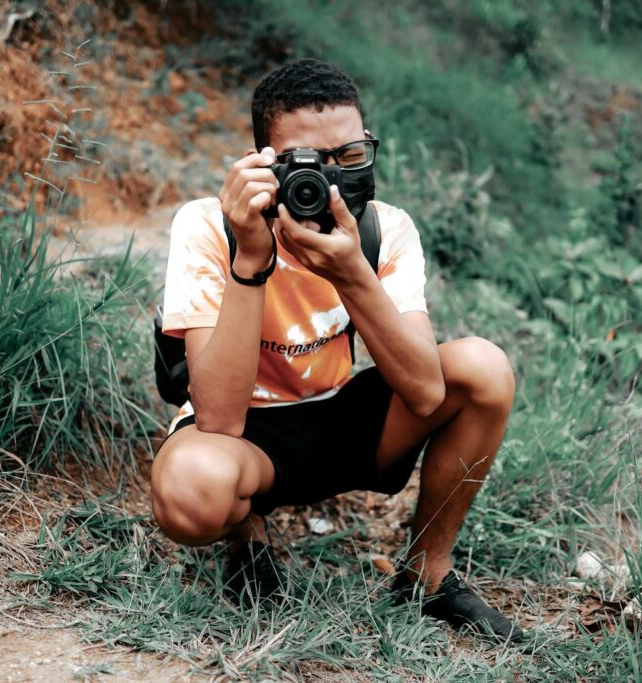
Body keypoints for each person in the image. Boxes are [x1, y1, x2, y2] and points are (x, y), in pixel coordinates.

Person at [151, 58, 523, 643]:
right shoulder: (209, 225)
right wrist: (251, 260)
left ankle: (427, 573)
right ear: (263, 164)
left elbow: (425, 391)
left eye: (350, 158)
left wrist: (351, 271)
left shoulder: (384, 229)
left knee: (483, 367)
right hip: (248, 433)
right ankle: (249, 533)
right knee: (188, 492)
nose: (328, 181)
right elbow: (220, 419)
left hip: (342, 417)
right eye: (308, 164)